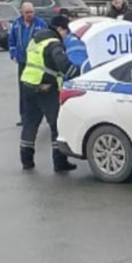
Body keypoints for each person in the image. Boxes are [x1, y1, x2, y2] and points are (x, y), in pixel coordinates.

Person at [18, 14, 81, 172]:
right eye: (66, 31)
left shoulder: (36, 39)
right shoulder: (54, 43)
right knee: (56, 125)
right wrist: (80, 73)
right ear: (60, 29)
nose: (66, 36)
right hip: (45, 88)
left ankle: (26, 160)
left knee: (30, 123)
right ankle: (60, 162)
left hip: (28, 84)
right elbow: (63, 65)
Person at [8, 2, 48, 126]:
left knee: (38, 89)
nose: (29, 15)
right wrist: (13, 53)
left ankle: (41, 116)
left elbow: (46, 41)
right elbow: (12, 40)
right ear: (22, 13)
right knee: (23, 90)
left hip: (36, 63)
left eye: (31, 12)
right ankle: (24, 117)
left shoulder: (40, 24)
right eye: (27, 12)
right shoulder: (16, 24)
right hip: (22, 61)